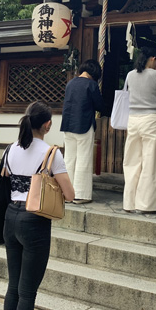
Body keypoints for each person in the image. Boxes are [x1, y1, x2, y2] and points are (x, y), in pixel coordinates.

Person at [3, 101, 75, 310]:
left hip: (10, 216)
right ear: (48, 125)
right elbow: (70, 195)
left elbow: (6, 179)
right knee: (27, 292)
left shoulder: (10, 149)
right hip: (35, 220)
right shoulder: (50, 153)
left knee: (13, 287)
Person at [122, 46, 156, 214]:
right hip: (151, 118)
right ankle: (145, 204)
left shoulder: (130, 75)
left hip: (133, 119)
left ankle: (129, 203)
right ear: (153, 59)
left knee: (132, 160)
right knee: (150, 161)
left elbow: (127, 94)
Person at [60, 59, 104, 204]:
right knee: (83, 159)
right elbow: (99, 105)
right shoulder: (91, 84)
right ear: (94, 73)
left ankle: (66, 193)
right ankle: (80, 194)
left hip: (68, 125)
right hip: (83, 124)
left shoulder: (70, 83)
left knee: (69, 159)